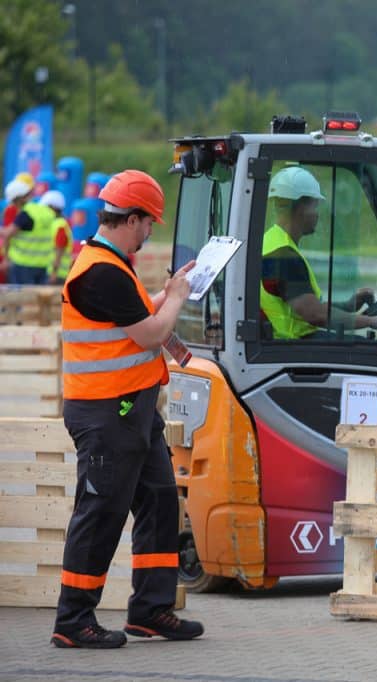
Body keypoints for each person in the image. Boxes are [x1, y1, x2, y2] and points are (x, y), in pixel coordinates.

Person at [51, 169, 203, 649]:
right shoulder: (100, 271)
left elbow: (135, 317)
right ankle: (74, 620)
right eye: (149, 222)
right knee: (101, 513)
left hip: (130, 411)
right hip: (104, 414)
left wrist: (169, 291)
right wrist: (176, 298)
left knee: (159, 500)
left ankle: (151, 609)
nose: (151, 231)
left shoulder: (112, 266)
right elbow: (152, 334)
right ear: (131, 218)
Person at [259, 165, 377, 339]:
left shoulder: (270, 242)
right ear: (300, 207)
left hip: (288, 344)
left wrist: (347, 305)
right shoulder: (283, 255)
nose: (317, 214)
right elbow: (315, 314)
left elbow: (306, 304)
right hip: (295, 347)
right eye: (315, 206)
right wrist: (371, 321)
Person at [1, 176, 50, 284]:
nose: (13, 205)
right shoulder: (43, 210)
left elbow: (8, 233)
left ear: (20, 198)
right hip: (43, 264)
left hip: (23, 264)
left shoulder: (25, 214)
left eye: (14, 202)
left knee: (23, 298)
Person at [40, 189, 73, 284]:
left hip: (57, 275)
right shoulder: (57, 223)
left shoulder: (59, 225)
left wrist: (54, 273)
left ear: (52, 208)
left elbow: (60, 250)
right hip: (55, 273)